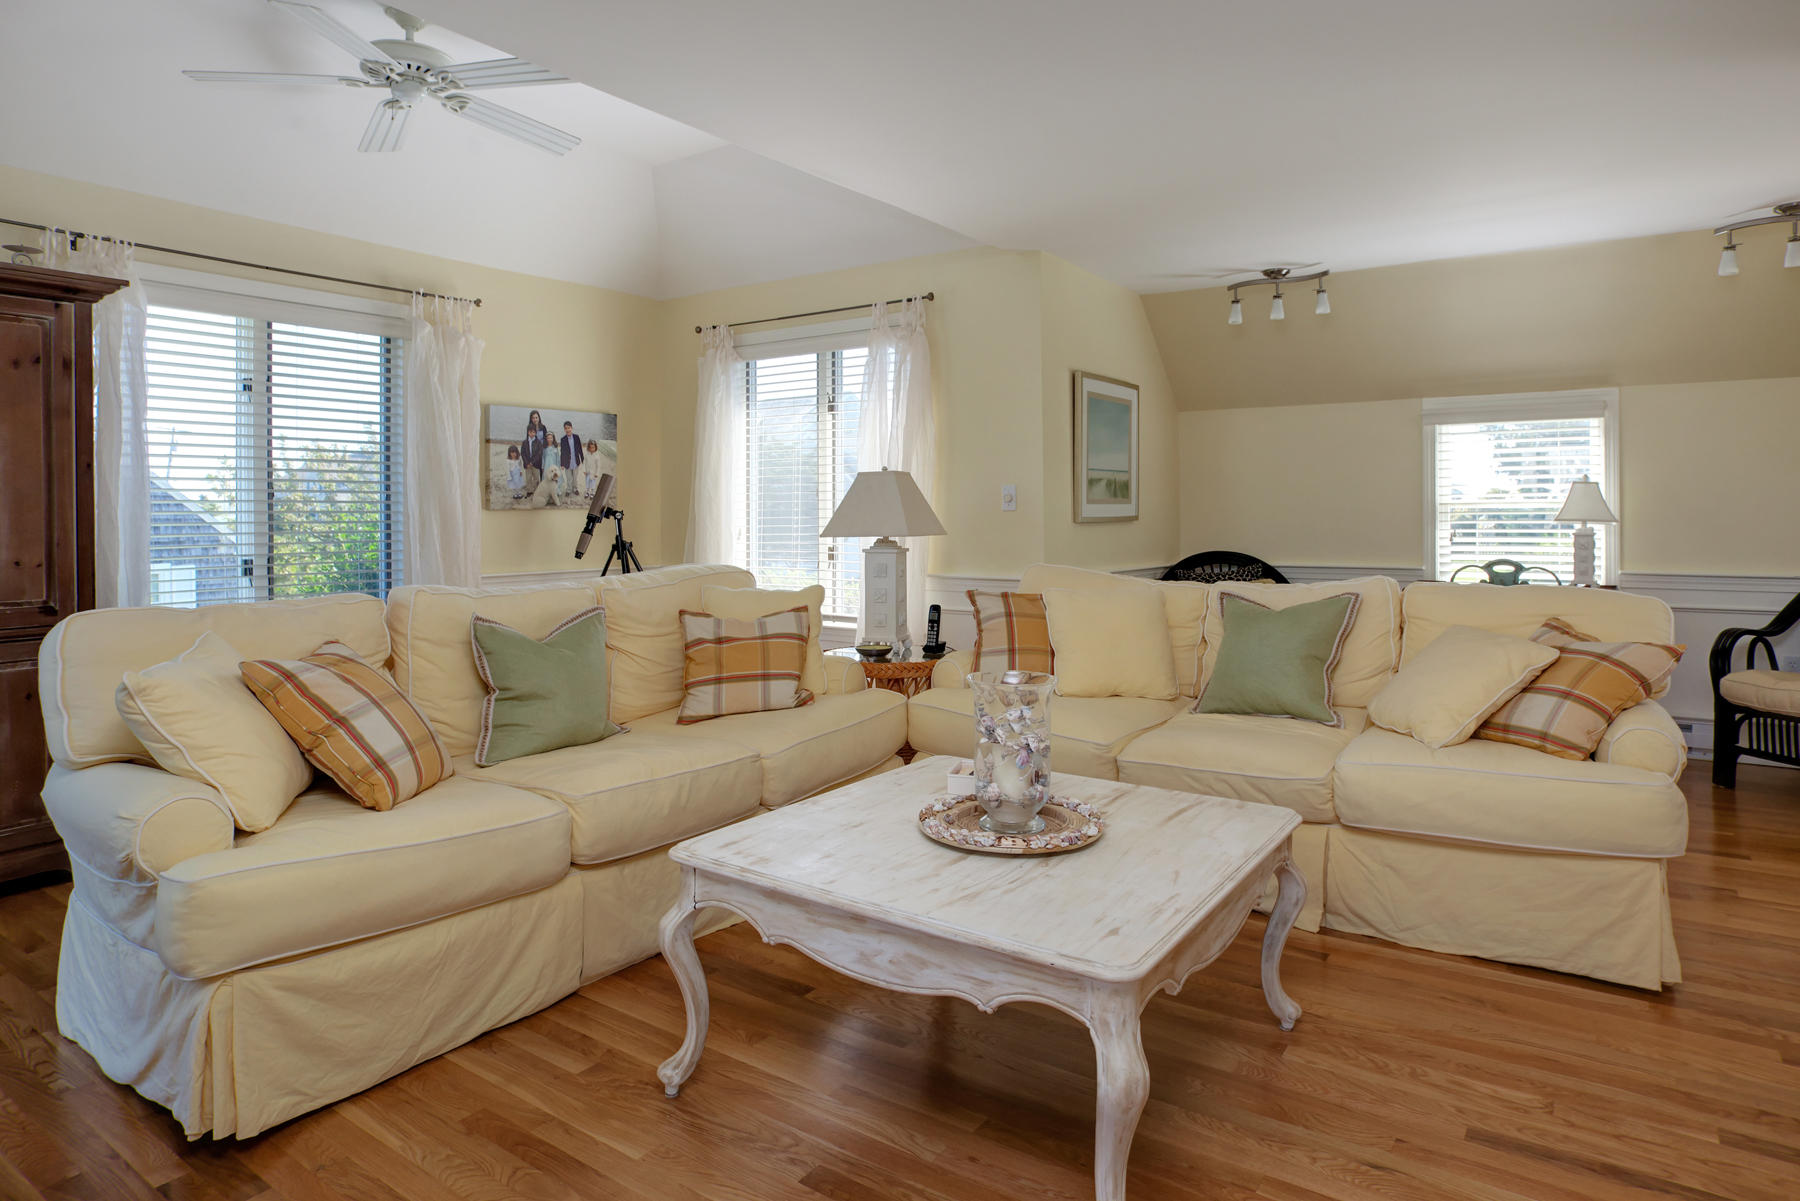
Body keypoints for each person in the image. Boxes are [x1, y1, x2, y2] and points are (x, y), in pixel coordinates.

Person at [520, 410, 548, 496]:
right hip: (533, 451)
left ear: (539, 418)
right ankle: (531, 489)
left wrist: (545, 447)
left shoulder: (543, 427)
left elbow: (546, 438)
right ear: (531, 419)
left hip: (541, 449)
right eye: (533, 418)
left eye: (536, 417)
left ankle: (540, 487)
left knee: (541, 469)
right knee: (532, 471)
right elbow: (526, 442)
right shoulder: (529, 427)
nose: (535, 419)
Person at [558, 421, 584, 503]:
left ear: (571, 428)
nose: (567, 429)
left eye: (569, 428)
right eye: (566, 428)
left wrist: (582, 459)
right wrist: (562, 464)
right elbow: (562, 452)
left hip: (575, 461)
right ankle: (569, 490)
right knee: (569, 478)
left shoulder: (576, 437)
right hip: (567, 462)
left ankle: (575, 488)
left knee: (575, 477)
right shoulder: (563, 439)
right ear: (564, 429)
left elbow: (580, 448)